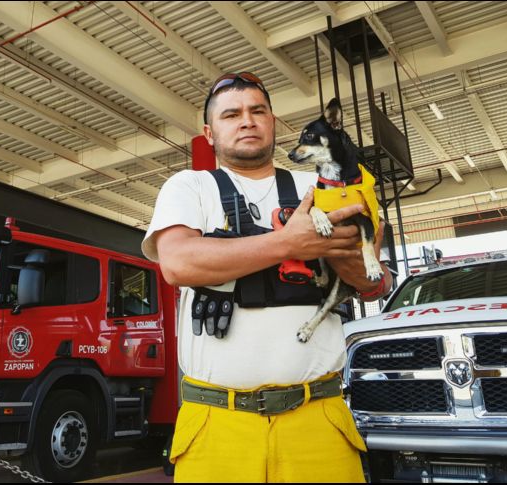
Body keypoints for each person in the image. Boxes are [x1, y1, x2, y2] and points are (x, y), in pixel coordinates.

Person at [141, 72, 393, 483]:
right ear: (209, 133)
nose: (247, 121)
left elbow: (373, 279)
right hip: (217, 423)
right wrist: (288, 243)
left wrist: (357, 268)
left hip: (318, 420)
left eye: (257, 111)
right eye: (231, 114)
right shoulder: (190, 187)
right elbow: (178, 263)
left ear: (273, 122)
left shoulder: (323, 183)